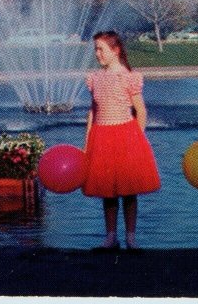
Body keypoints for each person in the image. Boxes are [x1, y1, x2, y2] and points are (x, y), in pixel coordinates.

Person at [83, 30, 160, 250]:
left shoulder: (127, 77)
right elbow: (93, 111)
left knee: (128, 190)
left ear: (115, 51)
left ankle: (131, 238)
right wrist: (87, 138)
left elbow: (141, 111)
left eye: (101, 49)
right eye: (96, 49)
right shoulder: (96, 78)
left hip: (125, 136)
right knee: (107, 191)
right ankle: (110, 237)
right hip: (102, 135)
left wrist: (137, 137)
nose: (97, 53)